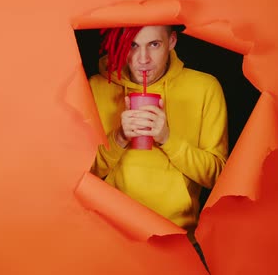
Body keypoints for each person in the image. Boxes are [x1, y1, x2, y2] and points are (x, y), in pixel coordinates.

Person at [88, 25, 228, 243]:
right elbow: (81, 175)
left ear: (171, 42)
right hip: (110, 235)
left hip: (178, 237)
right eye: (132, 45)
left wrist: (167, 139)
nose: (143, 59)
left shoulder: (205, 88)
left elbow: (218, 177)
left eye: (154, 44)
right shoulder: (95, 88)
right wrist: (119, 139)